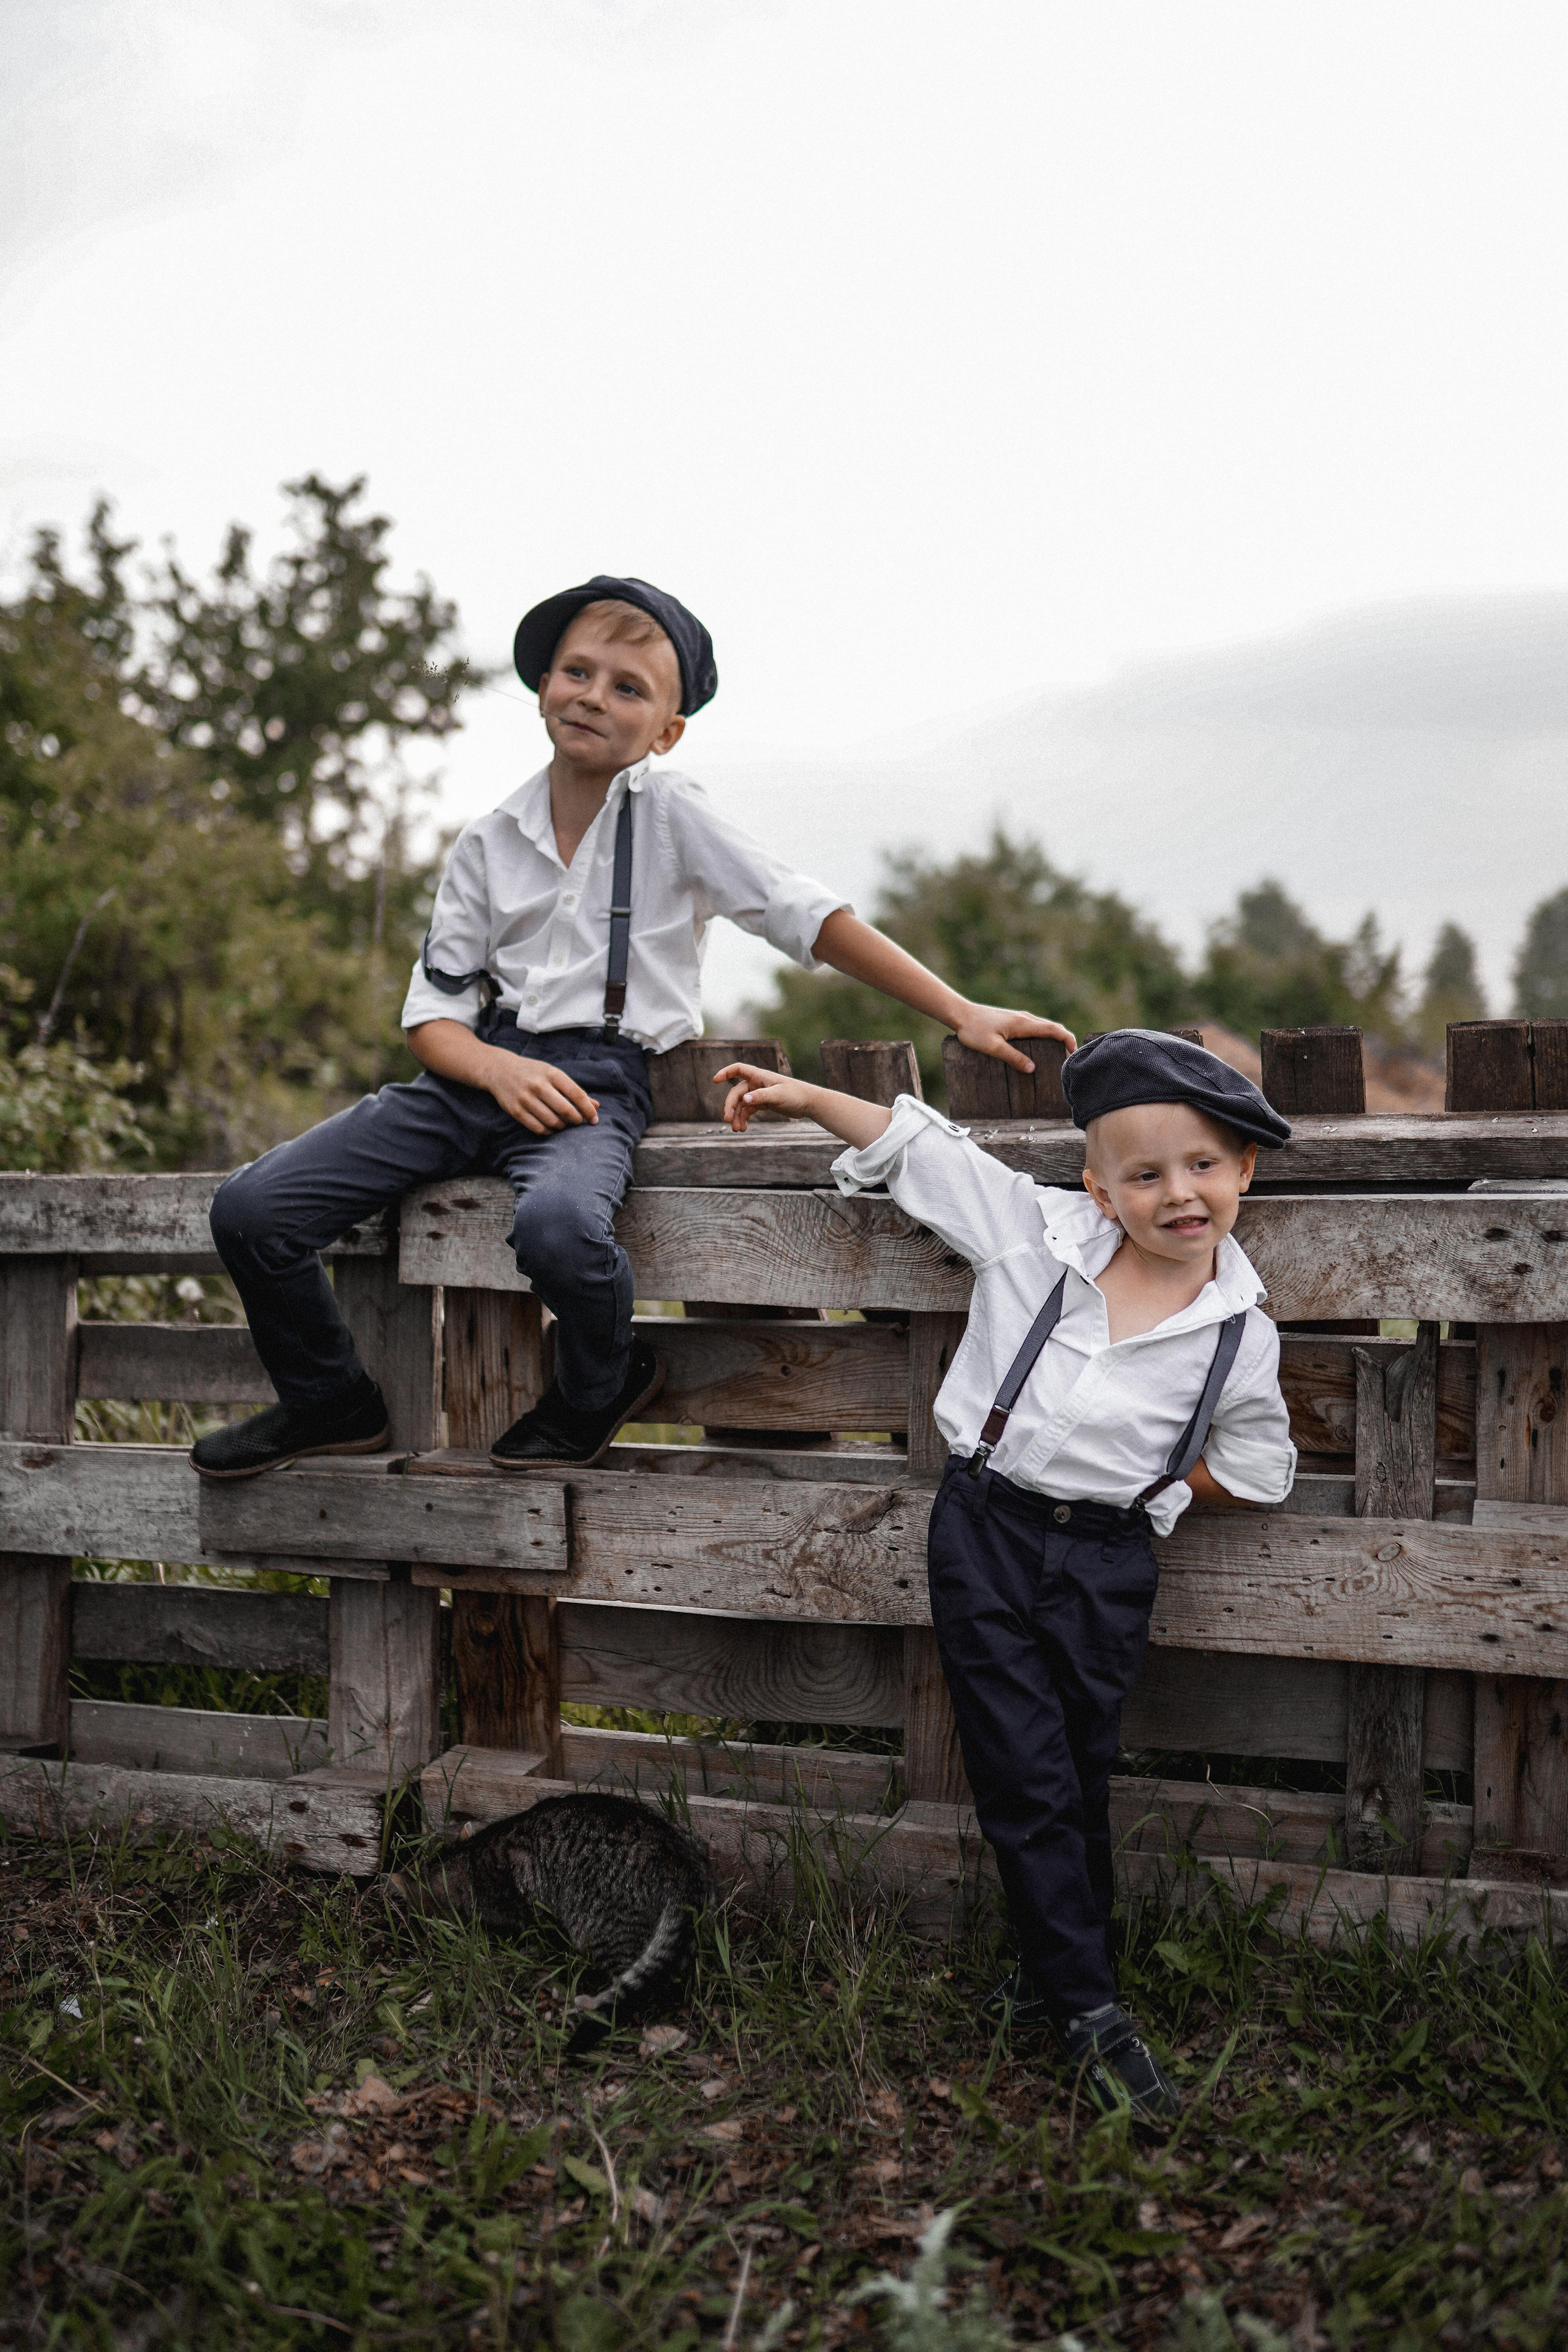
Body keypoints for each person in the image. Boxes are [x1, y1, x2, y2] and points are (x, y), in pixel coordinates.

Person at [191, 573, 1073, 1481]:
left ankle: (600, 1384)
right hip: (469, 1074)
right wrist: (493, 1071)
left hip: (595, 1080)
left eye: (628, 688)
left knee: (561, 1232)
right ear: (543, 686)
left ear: (667, 730)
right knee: (253, 1210)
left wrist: (962, 1011)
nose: (592, 697)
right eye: (577, 672)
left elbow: (801, 913)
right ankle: (330, 1402)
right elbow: (432, 1016)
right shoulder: (488, 842)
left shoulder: (672, 815)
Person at [715, 1028, 1297, 2122]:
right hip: (985, 1532)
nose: (1180, 1193)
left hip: (1108, 1559)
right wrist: (802, 1094)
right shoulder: (1035, 1235)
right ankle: (1093, 2013)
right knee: (1024, 1769)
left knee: (1075, 1765)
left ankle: (1051, 1976)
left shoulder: (1240, 1335)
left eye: (1204, 1166)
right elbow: (916, 1144)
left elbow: (1261, 1468)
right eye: (1145, 1174)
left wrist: (1156, 1493)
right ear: (1100, 1185)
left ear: (1245, 1171)